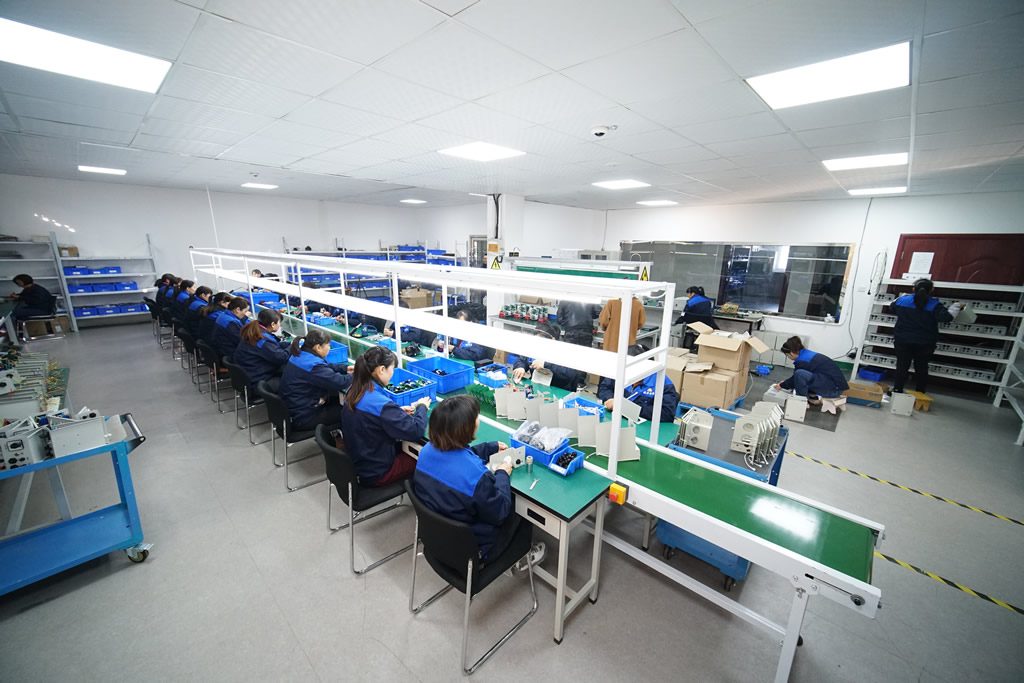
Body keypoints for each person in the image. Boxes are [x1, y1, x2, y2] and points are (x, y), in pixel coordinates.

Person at [412, 394, 524, 560]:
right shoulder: (476, 477)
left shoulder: (426, 451)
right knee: (520, 511)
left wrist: (488, 448)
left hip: (436, 540)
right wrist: (502, 473)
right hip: (473, 551)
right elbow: (500, 512)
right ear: (467, 428)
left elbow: (458, 457)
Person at [340, 346, 430, 487]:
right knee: (428, 459)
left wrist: (396, 411)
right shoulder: (381, 404)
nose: (393, 373)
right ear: (382, 369)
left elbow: (370, 415)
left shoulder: (354, 389)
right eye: (392, 368)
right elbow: (416, 431)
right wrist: (421, 407)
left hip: (359, 461)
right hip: (377, 472)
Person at [889, 279, 961, 395]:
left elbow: (892, 307)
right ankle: (920, 393)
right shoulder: (934, 304)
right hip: (925, 342)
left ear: (913, 289)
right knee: (921, 367)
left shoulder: (903, 300)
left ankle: (897, 390)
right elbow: (947, 317)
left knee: (902, 365)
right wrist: (956, 306)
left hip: (903, 339)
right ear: (931, 290)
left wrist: (901, 297)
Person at [280, 328, 353, 432]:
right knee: (349, 410)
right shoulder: (312, 365)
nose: (329, 348)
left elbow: (324, 366)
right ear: (318, 347)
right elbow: (340, 382)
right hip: (304, 416)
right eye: (328, 345)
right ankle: (339, 439)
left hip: (294, 408)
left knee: (336, 398)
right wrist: (359, 373)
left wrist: (345, 368)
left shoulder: (300, 354)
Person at [597, 344, 678, 421]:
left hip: (645, 427)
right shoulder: (622, 372)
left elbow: (667, 414)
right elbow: (604, 387)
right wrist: (610, 399)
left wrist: (629, 409)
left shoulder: (663, 384)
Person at [773, 336, 849, 405]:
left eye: (787, 355)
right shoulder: (806, 354)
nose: (788, 357)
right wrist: (785, 383)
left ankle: (802, 402)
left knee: (799, 374)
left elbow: (795, 379)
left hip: (833, 391)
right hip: (835, 386)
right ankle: (813, 396)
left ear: (791, 353)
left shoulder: (802, 361)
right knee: (802, 378)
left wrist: (782, 385)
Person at [510, 321, 583, 391]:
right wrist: (521, 367)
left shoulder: (563, 352)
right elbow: (522, 360)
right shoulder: (534, 349)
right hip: (538, 386)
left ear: (552, 339)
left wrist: (545, 365)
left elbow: (570, 374)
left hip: (558, 389)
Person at [234, 310, 291, 386]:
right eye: (279, 322)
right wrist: (292, 347)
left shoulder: (254, 331)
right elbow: (282, 358)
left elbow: (273, 346)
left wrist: (288, 344)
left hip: (249, 372)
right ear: (273, 324)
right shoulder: (263, 339)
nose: (279, 325)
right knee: (293, 376)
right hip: (259, 379)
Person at [210, 296, 249, 360]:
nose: (245, 314)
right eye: (245, 311)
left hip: (220, 350)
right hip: (228, 354)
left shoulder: (223, 315)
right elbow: (241, 341)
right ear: (237, 310)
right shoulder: (230, 322)